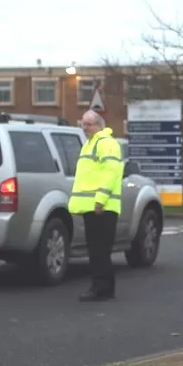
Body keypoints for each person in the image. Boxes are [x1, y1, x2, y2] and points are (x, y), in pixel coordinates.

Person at [68, 110, 124, 302]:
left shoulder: (106, 143)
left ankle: (101, 288)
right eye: (82, 124)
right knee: (97, 249)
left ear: (99, 124)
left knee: (99, 250)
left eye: (88, 124)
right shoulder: (92, 144)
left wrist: (100, 199)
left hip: (102, 207)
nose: (84, 128)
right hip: (94, 207)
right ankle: (104, 288)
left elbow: (110, 173)